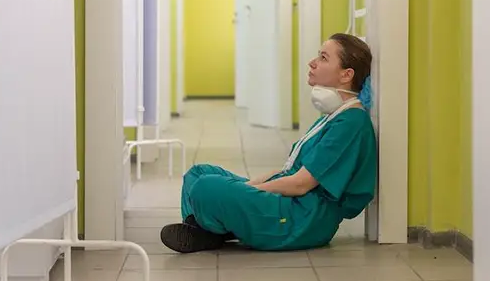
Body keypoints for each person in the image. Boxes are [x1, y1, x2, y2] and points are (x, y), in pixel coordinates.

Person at [160, 33, 378, 253]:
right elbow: (288, 171)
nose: (312, 63)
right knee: (197, 173)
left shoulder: (350, 123)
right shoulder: (332, 116)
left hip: (303, 219)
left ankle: (210, 230)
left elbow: (300, 184)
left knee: (205, 188)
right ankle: (213, 231)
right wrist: (246, 190)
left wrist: (251, 192)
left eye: (323, 58)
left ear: (346, 75)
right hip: (293, 204)